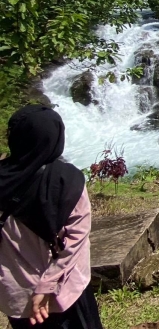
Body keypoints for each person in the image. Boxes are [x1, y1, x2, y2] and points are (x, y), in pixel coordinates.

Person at [0, 105, 102, 328]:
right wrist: (46, 286)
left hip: (19, 296)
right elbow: (76, 239)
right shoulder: (68, 181)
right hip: (66, 289)